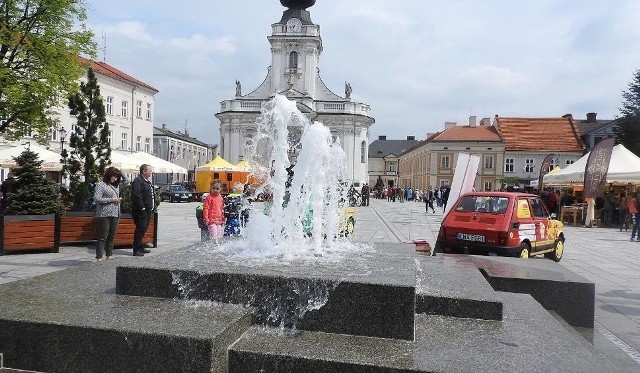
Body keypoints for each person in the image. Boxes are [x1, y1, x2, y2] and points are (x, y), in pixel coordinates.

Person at [93, 167, 123, 261]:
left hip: (115, 213)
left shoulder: (116, 185)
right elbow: (97, 199)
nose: (115, 179)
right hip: (104, 214)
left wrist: (120, 170)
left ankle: (109, 255)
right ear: (109, 175)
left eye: (117, 177)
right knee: (103, 236)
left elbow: (125, 179)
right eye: (114, 176)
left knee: (112, 236)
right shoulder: (101, 185)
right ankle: (99, 256)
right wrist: (112, 200)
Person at [131, 164, 154, 256]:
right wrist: (142, 208)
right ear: (144, 171)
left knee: (143, 229)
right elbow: (136, 195)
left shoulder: (146, 181)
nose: (151, 173)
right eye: (150, 171)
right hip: (141, 211)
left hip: (147, 210)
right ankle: (136, 249)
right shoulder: (138, 181)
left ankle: (140, 246)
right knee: (140, 229)